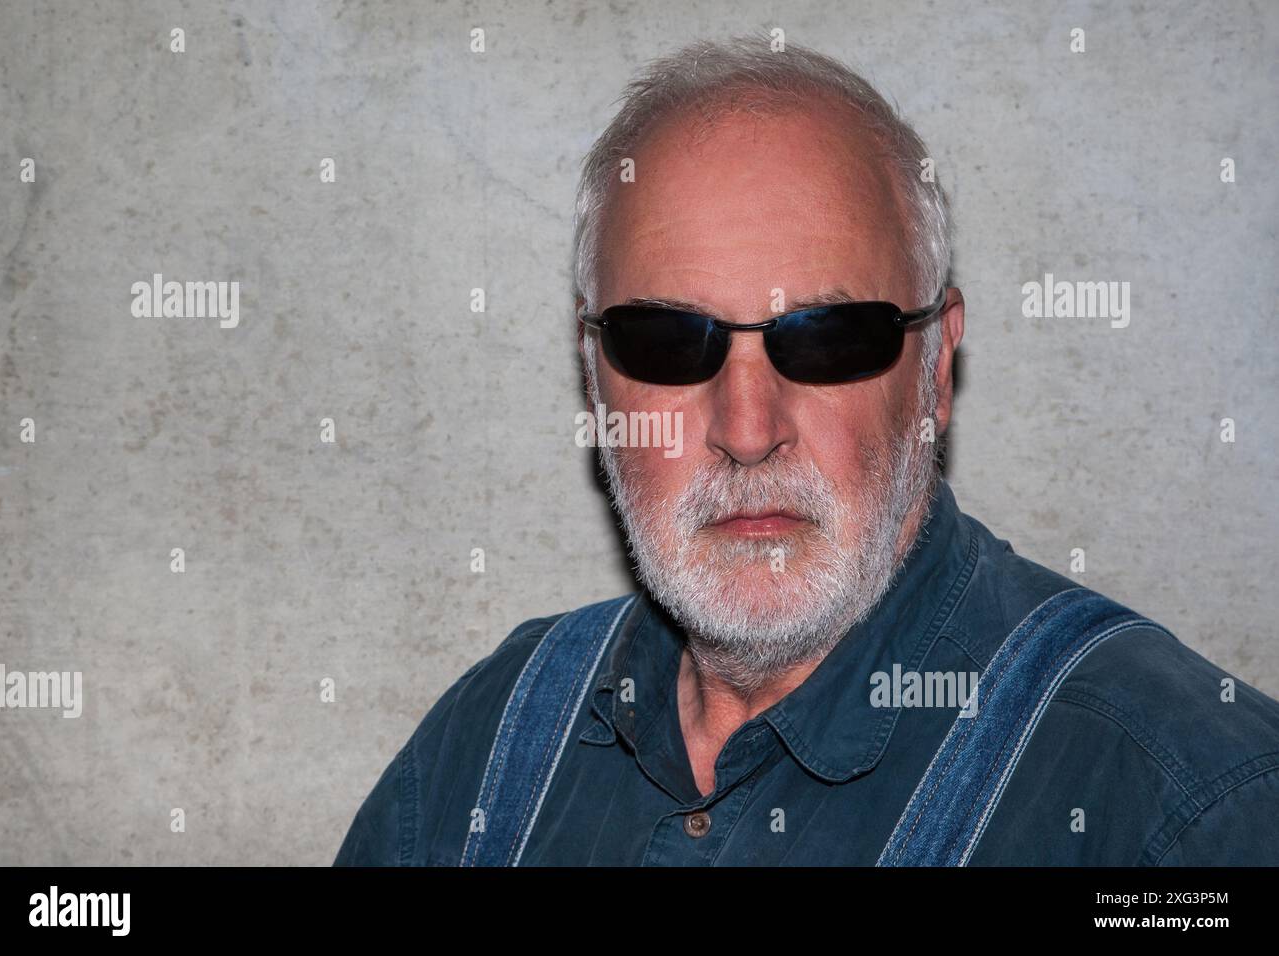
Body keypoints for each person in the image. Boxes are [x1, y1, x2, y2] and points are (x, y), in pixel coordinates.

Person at [335, 33, 1279, 866]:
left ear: (936, 368)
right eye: (670, 345)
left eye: (827, 339)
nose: (748, 431)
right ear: (595, 378)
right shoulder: (488, 751)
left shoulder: (1179, 807)